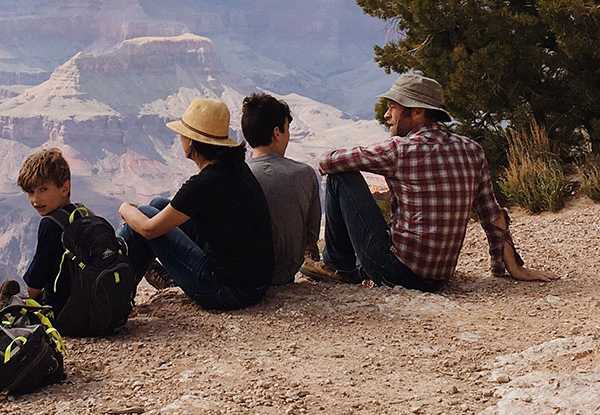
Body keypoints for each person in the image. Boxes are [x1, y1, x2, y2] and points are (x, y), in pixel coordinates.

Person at [302, 73, 553, 289]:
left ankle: (336, 266)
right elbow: (492, 215)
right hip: (440, 276)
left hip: (396, 273)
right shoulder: (472, 149)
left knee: (342, 176)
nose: (387, 115)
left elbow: (327, 162)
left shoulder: (400, 149)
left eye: (393, 107)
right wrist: (509, 267)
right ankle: (351, 266)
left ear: (418, 112)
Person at [118, 97, 274, 310]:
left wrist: (125, 208)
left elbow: (148, 229)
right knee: (159, 204)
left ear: (191, 141)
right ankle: (119, 288)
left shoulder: (203, 184)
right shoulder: (235, 167)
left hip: (226, 290)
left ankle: (111, 291)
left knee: (145, 213)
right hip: (254, 284)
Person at [241, 92, 322, 285]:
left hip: (243, 276)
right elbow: (310, 236)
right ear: (277, 132)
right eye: (287, 129)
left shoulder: (235, 176)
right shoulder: (305, 173)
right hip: (284, 274)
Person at [3, 147, 81, 312]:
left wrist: (27, 299)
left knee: (20, 303)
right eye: (30, 192)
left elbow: (36, 280)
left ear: (64, 188)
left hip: (66, 313)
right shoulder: (82, 212)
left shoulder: (50, 224)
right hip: (93, 307)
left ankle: (10, 310)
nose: (35, 199)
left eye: (43, 190)